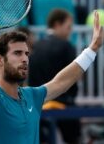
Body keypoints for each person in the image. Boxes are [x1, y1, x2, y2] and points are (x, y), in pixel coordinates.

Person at [0, 11, 103, 143]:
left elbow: (62, 81)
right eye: (17, 53)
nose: (25, 59)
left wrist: (92, 50)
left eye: (27, 54)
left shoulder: (32, 96)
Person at [29, 9, 80, 143]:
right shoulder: (66, 46)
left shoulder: (35, 47)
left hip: (39, 104)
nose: (70, 31)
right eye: (68, 27)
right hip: (64, 104)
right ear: (57, 24)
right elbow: (74, 75)